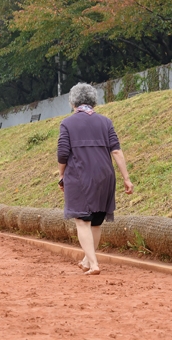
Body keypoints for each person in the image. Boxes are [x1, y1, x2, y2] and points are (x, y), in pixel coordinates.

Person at [57, 83, 133, 276]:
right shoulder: (106, 122)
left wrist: (61, 175)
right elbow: (116, 150)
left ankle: (94, 264)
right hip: (105, 176)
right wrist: (126, 178)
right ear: (93, 101)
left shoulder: (68, 123)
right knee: (97, 221)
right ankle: (86, 260)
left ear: (73, 102)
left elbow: (63, 153)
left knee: (82, 221)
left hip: (80, 176)